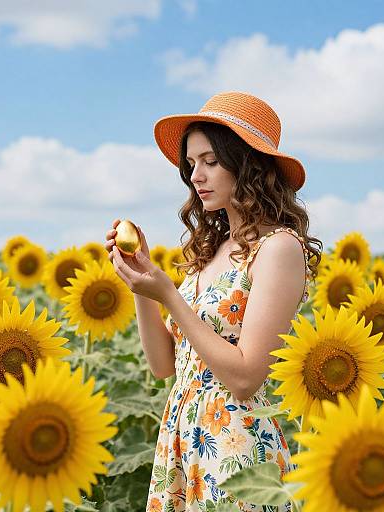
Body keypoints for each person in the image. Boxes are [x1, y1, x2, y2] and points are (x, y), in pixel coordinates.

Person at [105, 91, 322, 512]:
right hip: (182, 442)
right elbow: (164, 366)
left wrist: (168, 293)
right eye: (191, 165)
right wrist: (142, 286)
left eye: (210, 161)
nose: (196, 176)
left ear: (247, 163)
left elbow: (245, 377)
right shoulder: (211, 250)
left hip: (236, 450)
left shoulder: (278, 248)